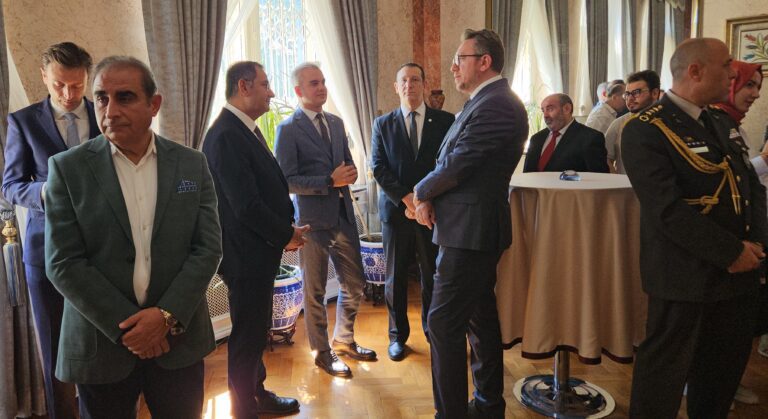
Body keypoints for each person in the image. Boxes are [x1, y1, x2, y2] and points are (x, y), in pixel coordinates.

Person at [44, 56, 223, 418]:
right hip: (101, 346)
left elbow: (207, 248)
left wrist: (166, 316)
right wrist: (132, 328)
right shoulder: (67, 169)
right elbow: (63, 263)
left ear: (153, 104)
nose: (110, 110)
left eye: (124, 97)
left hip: (178, 342)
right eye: (101, 98)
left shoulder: (191, 164)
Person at [622, 38, 767, 418]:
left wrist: (756, 246)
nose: (733, 73)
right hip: (684, 277)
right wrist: (731, 252)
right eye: (727, 65)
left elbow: (750, 187)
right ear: (696, 71)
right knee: (662, 381)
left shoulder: (719, 121)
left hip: (738, 276)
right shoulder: (645, 129)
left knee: (719, 379)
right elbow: (666, 210)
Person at [411, 28, 528, 419]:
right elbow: (452, 161)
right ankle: (488, 405)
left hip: (471, 231)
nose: (452, 67)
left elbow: (460, 163)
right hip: (465, 228)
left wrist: (420, 192)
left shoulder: (498, 104)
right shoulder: (484, 101)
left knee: (443, 323)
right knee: (480, 320)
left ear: (484, 61)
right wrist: (429, 195)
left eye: (459, 59)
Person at [2, 41, 99, 419]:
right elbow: (10, 186)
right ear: (44, 77)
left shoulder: (105, 114)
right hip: (45, 252)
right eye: (59, 85)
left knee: (101, 345)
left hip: (103, 251)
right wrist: (44, 191)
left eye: (77, 85)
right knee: (55, 350)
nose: (68, 94)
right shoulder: (23, 122)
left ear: (87, 79)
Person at [202, 61, 304, 418]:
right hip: (244, 255)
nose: (271, 92)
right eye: (265, 84)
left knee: (255, 331)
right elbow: (245, 205)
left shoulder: (241, 129)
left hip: (255, 251)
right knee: (247, 336)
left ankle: (256, 394)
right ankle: (244, 409)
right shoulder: (227, 135)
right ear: (243, 87)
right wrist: (286, 233)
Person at [275, 62, 377, 378]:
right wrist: (328, 181)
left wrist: (350, 173)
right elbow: (286, 180)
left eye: (322, 81)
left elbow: (345, 164)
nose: (321, 88)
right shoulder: (288, 129)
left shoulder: (336, 122)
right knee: (315, 292)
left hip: (344, 216)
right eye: (314, 83)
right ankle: (321, 352)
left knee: (355, 283)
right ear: (298, 90)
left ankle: (344, 339)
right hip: (312, 223)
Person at [370, 63, 454, 361]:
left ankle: (433, 332)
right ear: (396, 87)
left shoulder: (445, 121)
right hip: (396, 213)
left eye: (415, 79)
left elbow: (447, 164)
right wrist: (409, 200)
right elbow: (378, 167)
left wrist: (425, 201)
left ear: (424, 84)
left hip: (433, 212)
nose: (409, 85)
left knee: (432, 274)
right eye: (403, 80)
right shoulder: (382, 124)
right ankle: (397, 337)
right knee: (395, 278)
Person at [714, 59, 763, 406]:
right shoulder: (715, 124)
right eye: (749, 85)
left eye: (758, 86)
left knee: (739, 325)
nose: (756, 94)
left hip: (748, 238)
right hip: (725, 244)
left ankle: (727, 383)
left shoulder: (735, 126)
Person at [523, 93, 609, 173]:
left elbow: (599, 178)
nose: (545, 115)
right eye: (543, 110)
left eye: (550, 109)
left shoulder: (590, 138)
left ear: (567, 109)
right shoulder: (536, 139)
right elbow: (527, 174)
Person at [604, 70, 661, 173]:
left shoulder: (668, 122)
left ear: (654, 93)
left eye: (636, 93)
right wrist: (616, 180)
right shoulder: (618, 124)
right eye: (627, 94)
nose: (629, 99)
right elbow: (606, 159)